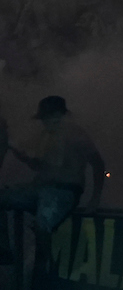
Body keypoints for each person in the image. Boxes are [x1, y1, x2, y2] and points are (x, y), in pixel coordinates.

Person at [1, 95, 105, 235]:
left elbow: (98, 164)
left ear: (59, 115)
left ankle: (44, 257)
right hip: (40, 188)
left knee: (42, 224)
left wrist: (95, 199)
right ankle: (5, 251)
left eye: (47, 117)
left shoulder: (77, 134)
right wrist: (21, 154)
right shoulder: (45, 136)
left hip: (64, 191)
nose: (45, 122)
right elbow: (40, 167)